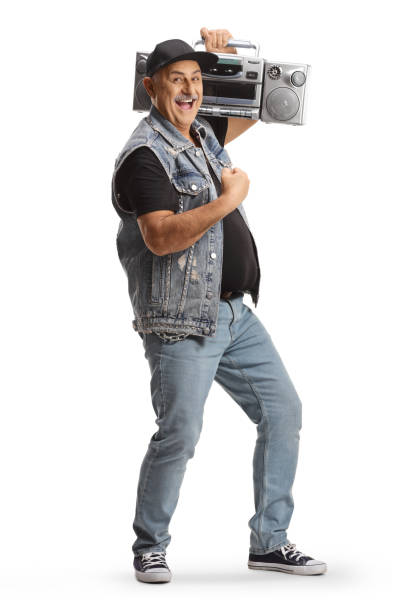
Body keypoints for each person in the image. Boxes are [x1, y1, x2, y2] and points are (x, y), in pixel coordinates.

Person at [111, 27, 327, 583]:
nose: (189, 90)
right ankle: (150, 546)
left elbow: (257, 107)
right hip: (181, 320)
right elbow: (161, 237)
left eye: (196, 80)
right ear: (150, 87)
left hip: (235, 316)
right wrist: (230, 199)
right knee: (179, 435)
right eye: (176, 80)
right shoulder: (145, 156)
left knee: (284, 411)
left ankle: (270, 543)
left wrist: (224, 57)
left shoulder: (202, 132)